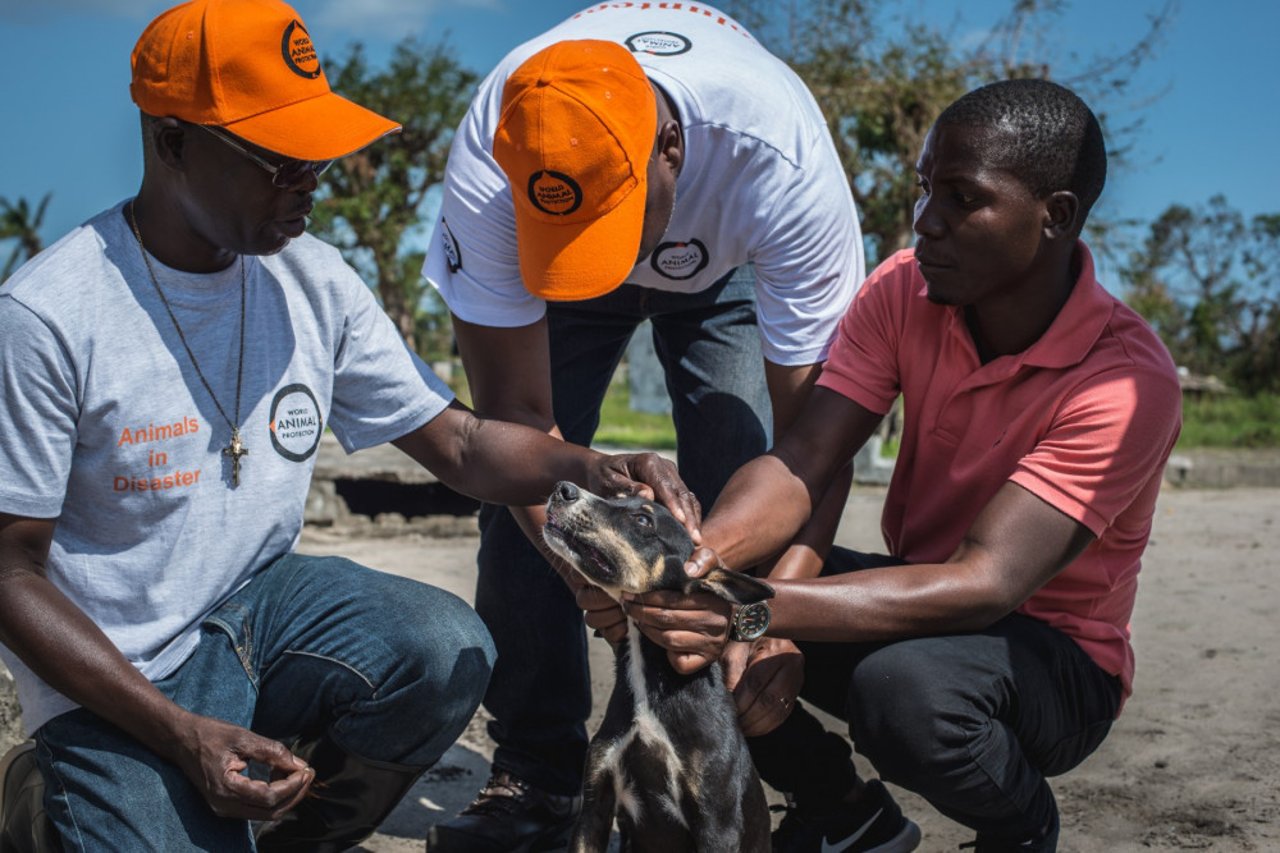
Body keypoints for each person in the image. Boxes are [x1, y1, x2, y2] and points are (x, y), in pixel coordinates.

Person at [0, 1, 699, 851]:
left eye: (319, 156)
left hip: (255, 618)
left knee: (442, 646)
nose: (309, 180)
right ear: (172, 142)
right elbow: (9, 574)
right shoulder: (49, 316)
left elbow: (462, 444)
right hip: (117, 673)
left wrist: (592, 466)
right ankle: (50, 796)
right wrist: (182, 732)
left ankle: (295, 834)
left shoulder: (312, 280)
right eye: (278, 159)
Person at [624, 78, 1184, 853]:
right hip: (917, 599)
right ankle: (845, 813)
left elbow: (986, 582)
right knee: (666, 613)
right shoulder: (903, 290)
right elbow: (803, 457)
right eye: (925, 189)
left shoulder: (1124, 382)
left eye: (962, 198)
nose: (926, 221)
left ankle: (1023, 825)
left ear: (1054, 216)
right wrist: (699, 571)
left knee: (906, 696)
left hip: (1055, 660)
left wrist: (752, 609)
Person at [421, 4, 864, 848]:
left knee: (742, 478)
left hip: (725, 268)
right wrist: (569, 549)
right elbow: (515, 427)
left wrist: (774, 609)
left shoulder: (775, 155)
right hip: (551, 284)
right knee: (533, 503)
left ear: (671, 150)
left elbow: (817, 439)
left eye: (613, 226)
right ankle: (539, 769)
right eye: (575, 229)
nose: (614, 261)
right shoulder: (493, 154)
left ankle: (718, 757)